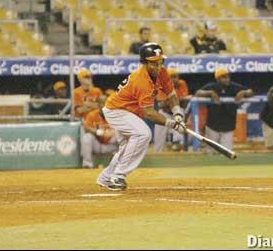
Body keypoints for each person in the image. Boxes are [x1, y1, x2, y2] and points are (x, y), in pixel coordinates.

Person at [97, 43, 185, 191]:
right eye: (153, 63)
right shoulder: (141, 80)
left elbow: (172, 95)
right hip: (116, 111)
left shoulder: (162, 72)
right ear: (144, 62)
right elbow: (149, 113)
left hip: (129, 112)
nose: (157, 66)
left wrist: (177, 113)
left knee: (126, 148)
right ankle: (118, 176)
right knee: (143, 134)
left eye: (159, 62)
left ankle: (106, 177)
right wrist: (172, 124)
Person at [195, 68, 254, 150]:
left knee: (227, 153)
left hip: (228, 126)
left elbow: (251, 92)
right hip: (212, 126)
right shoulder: (212, 86)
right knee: (209, 153)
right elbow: (198, 93)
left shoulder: (233, 86)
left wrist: (244, 92)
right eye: (224, 77)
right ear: (218, 79)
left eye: (228, 76)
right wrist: (210, 93)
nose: (227, 79)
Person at [154, 68, 191, 152]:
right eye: (171, 77)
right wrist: (177, 99)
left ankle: (178, 148)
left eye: (175, 77)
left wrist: (173, 100)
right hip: (164, 113)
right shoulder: (161, 85)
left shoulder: (182, 83)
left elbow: (183, 101)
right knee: (159, 140)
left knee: (179, 138)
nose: (174, 79)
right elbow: (162, 104)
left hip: (176, 112)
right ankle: (158, 155)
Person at [81, 96, 118, 168]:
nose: (104, 105)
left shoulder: (115, 115)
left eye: (106, 103)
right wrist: (98, 132)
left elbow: (124, 129)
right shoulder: (92, 114)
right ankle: (87, 164)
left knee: (122, 137)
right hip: (97, 144)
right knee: (87, 137)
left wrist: (113, 132)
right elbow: (86, 128)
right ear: (98, 105)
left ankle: (117, 164)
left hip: (111, 144)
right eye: (102, 103)